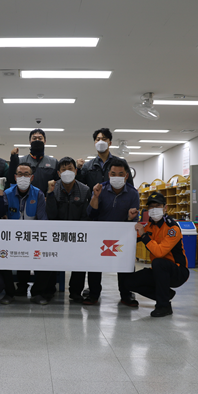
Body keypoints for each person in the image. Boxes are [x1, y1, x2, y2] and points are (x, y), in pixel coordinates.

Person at [75, 127, 134, 301]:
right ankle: (94, 292)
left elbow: (130, 188)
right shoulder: (88, 166)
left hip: (119, 217)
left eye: (104, 139)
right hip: (96, 217)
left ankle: (126, 293)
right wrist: (78, 170)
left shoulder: (120, 163)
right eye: (97, 139)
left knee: (123, 256)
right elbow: (81, 189)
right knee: (95, 258)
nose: (100, 141)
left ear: (110, 142)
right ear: (94, 142)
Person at [7, 128, 59, 296]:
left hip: (43, 209)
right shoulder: (22, 161)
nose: (37, 140)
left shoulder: (53, 161)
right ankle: (22, 286)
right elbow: (11, 180)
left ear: (45, 141)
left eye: (40, 138)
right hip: (23, 209)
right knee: (22, 253)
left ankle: (42, 287)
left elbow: (57, 183)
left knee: (40, 253)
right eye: (34, 138)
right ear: (29, 141)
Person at [123, 192, 190, 317]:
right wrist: (130, 220)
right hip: (158, 270)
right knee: (128, 282)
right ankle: (165, 294)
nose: (154, 209)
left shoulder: (172, 228)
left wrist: (144, 235)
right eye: (151, 207)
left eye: (157, 206)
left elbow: (159, 253)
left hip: (178, 272)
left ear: (165, 208)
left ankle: (163, 306)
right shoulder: (149, 226)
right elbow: (129, 236)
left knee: (158, 262)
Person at [86, 158, 140, 306]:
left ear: (126, 176)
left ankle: (126, 295)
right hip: (100, 234)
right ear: (109, 174)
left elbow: (134, 220)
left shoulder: (133, 193)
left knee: (126, 265)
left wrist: (130, 217)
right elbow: (91, 213)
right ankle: (93, 294)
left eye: (120, 174)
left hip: (122, 236)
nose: (117, 177)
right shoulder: (100, 189)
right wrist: (95, 196)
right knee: (95, 265)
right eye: (113, 174)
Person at [0, 164, 51, 305]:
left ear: (32, 177)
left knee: (46, 259)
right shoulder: (7, 193)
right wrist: (0, 191)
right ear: (15, 177)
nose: (23, 177)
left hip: (33, 237)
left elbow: (43, 219)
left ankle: (37, 292)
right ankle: (10, 293)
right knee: (3, 258)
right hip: (11, 238)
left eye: (26, 174)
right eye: (20, 174)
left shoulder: (38, 194)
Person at [45, 157, 92, 303]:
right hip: (56, 235)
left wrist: (78, 233)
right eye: (63, 169)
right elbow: (51, 215)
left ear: (76, 171)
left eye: (70, 169)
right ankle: (49, 290)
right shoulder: (53, 188)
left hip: (77, 234)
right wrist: (50, 194)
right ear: (58, 173)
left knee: (79, 262)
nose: (67, 172)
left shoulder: (84, 190)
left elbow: (86, 215)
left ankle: (75, 292)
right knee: (52, 260)